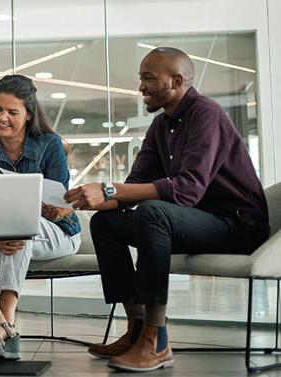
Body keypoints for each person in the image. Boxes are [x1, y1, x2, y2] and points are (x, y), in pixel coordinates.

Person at [64, 47, 270, 372]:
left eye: (148, 78)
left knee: (153, 212)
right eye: (141, 78)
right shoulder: (161, 126)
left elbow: (186, 190)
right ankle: (136, 329)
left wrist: (108, 188)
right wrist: (78, 203)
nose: (141, 87)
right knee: (106, 222)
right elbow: (133, 188)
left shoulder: (207, 114)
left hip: (238, 225)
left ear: (176, 81)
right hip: (195, 221)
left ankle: (156, 340)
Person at [0, 74, 82, 360]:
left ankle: (5, 315)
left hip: (56, 232)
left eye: (12, 112)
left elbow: (61, 203)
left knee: (19, 225)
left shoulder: (49, 144)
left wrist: (47, 209)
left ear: (29, 113)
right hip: (0, 235)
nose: (3, 118)